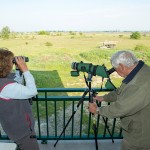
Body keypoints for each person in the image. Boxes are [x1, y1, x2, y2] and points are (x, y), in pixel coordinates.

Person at [89, 50, 150, 150]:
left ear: (121, 66)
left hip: (140, 136)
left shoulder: (139, 84)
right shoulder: (140, 72)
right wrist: (104, 98)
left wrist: (98, 110)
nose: (116, 72)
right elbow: (121, 91)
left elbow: (122, 108)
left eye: (116, 69)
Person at [0, 48, 39, 150]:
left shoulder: (4, 83)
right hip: (23, 132)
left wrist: (18, 70)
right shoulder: (6, 86)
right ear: (6, 65)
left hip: (12, 127)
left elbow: (16, 83)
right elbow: (32, 91)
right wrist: (25, 69)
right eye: (11, 61)